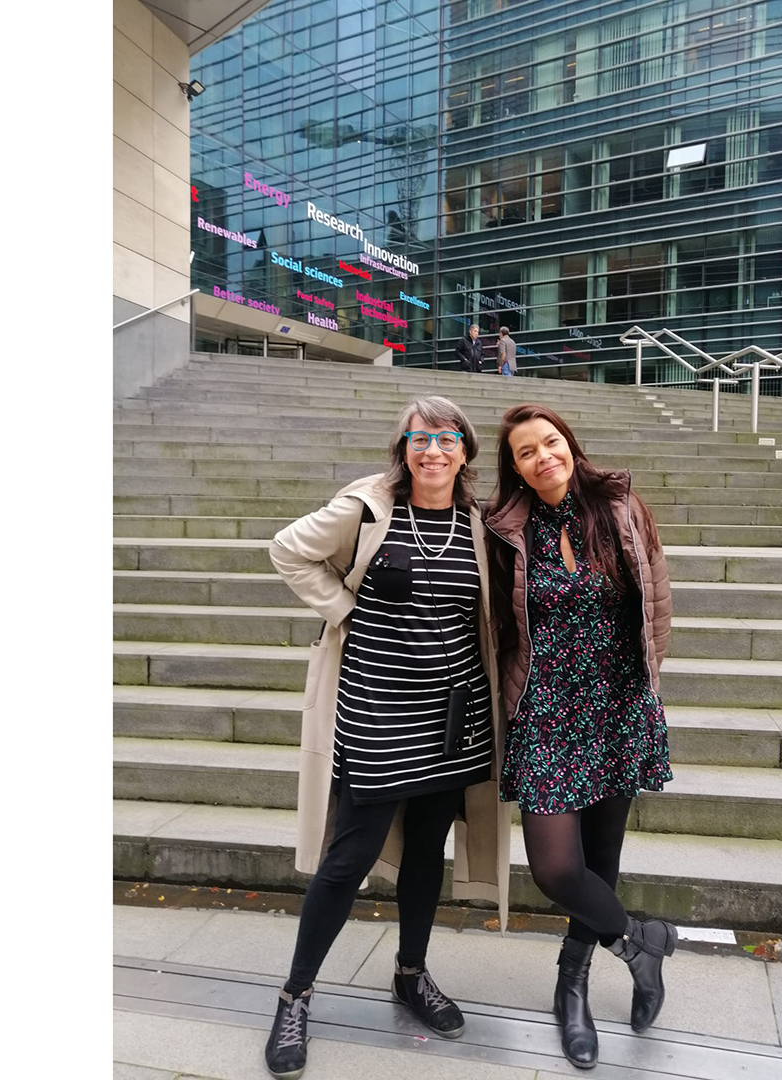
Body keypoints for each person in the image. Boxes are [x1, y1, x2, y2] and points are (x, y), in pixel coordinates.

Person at [263, 396, 510, 1079]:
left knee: (428, 849)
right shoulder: (369, 508)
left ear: (465, 451)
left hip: (452, 718)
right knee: (349, 858)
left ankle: (411, 971)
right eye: (419, 438)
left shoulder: (477, 524)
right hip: (377, 708)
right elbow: (288, 550)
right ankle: (295, 994)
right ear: (403, 448)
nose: (433, 450)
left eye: (447, 437)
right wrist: (343, 606)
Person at [485, 402, 677, 1070]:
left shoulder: (621, 510)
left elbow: (657, 602)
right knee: (556, 868)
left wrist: (641, 686)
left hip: (616, 708)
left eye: (550, 442)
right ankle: (640, 940)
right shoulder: (506, 531)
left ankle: (574, 986)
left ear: (569, 443)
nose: (543, 456)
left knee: (600, 860)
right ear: (514, 468)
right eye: (526, 452)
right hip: (543, 714)